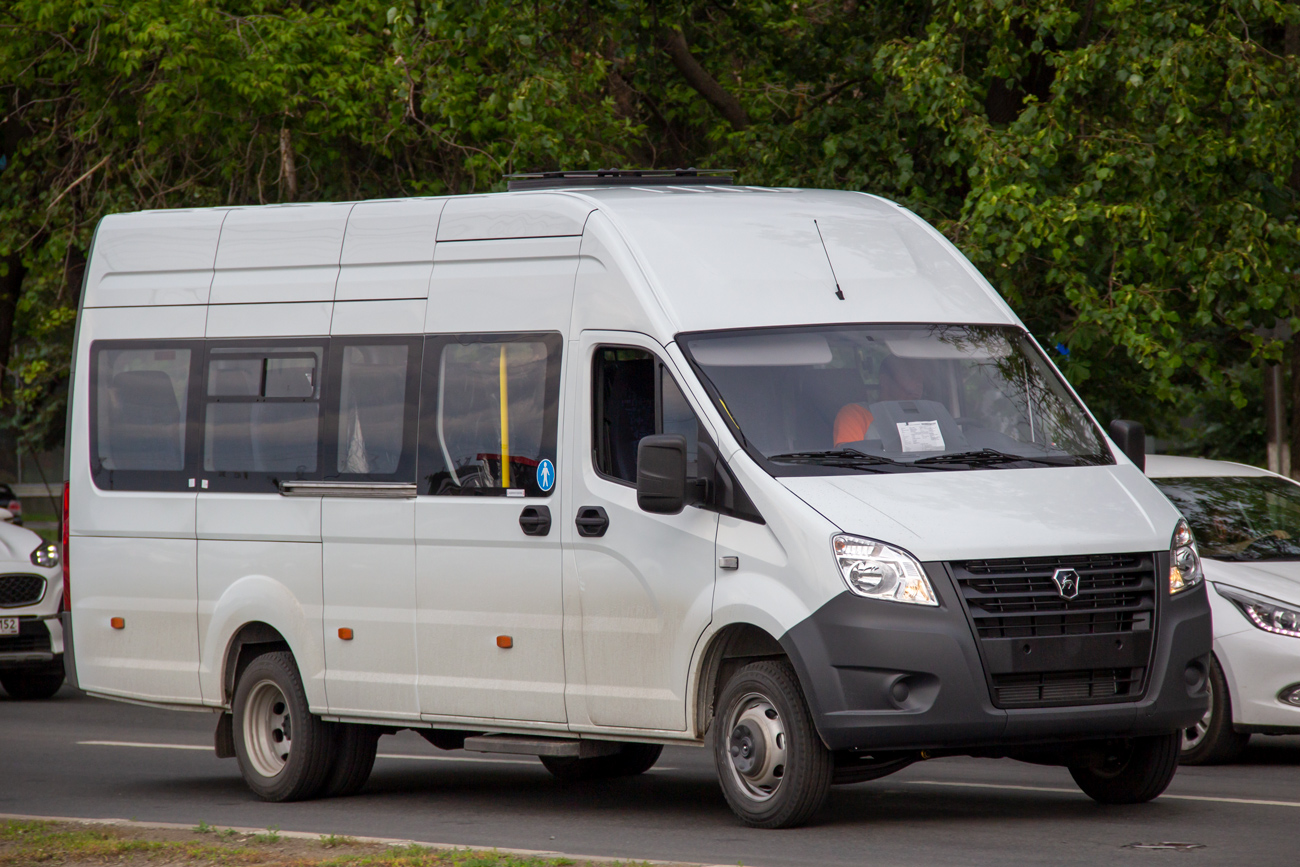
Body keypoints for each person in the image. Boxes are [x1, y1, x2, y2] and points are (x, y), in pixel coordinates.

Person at [833, 356, 926, 448]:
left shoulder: (925, 419)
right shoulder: (856, 414)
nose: (918, 386)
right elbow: (849, 458)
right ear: (884, 381)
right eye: (911, 378)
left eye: (920, 380)